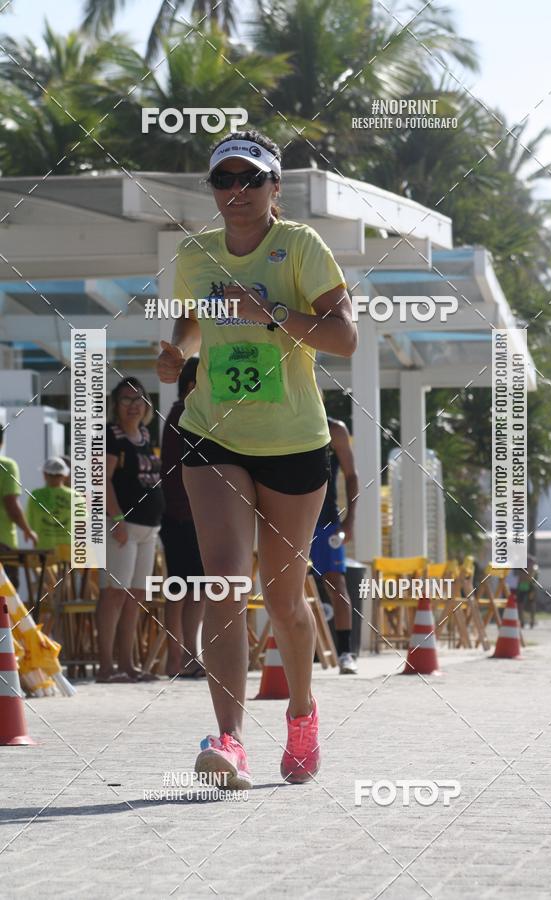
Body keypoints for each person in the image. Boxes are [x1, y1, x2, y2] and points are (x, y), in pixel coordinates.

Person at [156, 128, 357, 788]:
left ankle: (301, 714)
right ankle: (230, 739)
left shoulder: (299, 247)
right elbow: (191, 320)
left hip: (295, 444)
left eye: (249, 180)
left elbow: (345, 337)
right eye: (222, 181)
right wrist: (178, 350)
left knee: (284, 598)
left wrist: (272, 315)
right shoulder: (195, 255)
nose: (235, 193)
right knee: (221, 581)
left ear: (275, 188)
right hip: (214, 432)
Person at [96, 378, 165, 683]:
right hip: (122, 525)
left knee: (136, 595)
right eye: (126, 399)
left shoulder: (147, 435)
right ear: (115, 404)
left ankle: (128, 663)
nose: (134, 404)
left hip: (149, 527)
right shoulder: (111, 436)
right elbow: (103, 480)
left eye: (139, 398)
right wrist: (117, 518)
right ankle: (106, 665)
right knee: (114, 594)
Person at [160, 357, 206, 678]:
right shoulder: (182, 414)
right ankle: (176, 657)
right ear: (192, 385)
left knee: (198, 589)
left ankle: (191, 653)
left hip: (197, 515)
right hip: (180, 515)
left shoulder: (193, 414)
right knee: (178, 589)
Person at [310, 416, 359, 674]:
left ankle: (345, 653)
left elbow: (351, 475)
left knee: (336, 585)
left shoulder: (335, 430)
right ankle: (291, 652)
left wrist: (350, 520)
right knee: (289, 588)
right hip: (291, 521)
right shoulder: (286, 421)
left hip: (327, 521)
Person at [0, 426, 37, 588]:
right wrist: (27, 530)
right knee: (7, 596)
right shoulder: (7, 465)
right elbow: (11, 505)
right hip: (3, 541)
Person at [27, 457, 80, 551]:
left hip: (43, 548)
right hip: (68, 548)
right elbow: (83, 523)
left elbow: (29, 521)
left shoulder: (36, 495)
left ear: (44, 474)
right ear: (65, 475)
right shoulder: (75, 496)